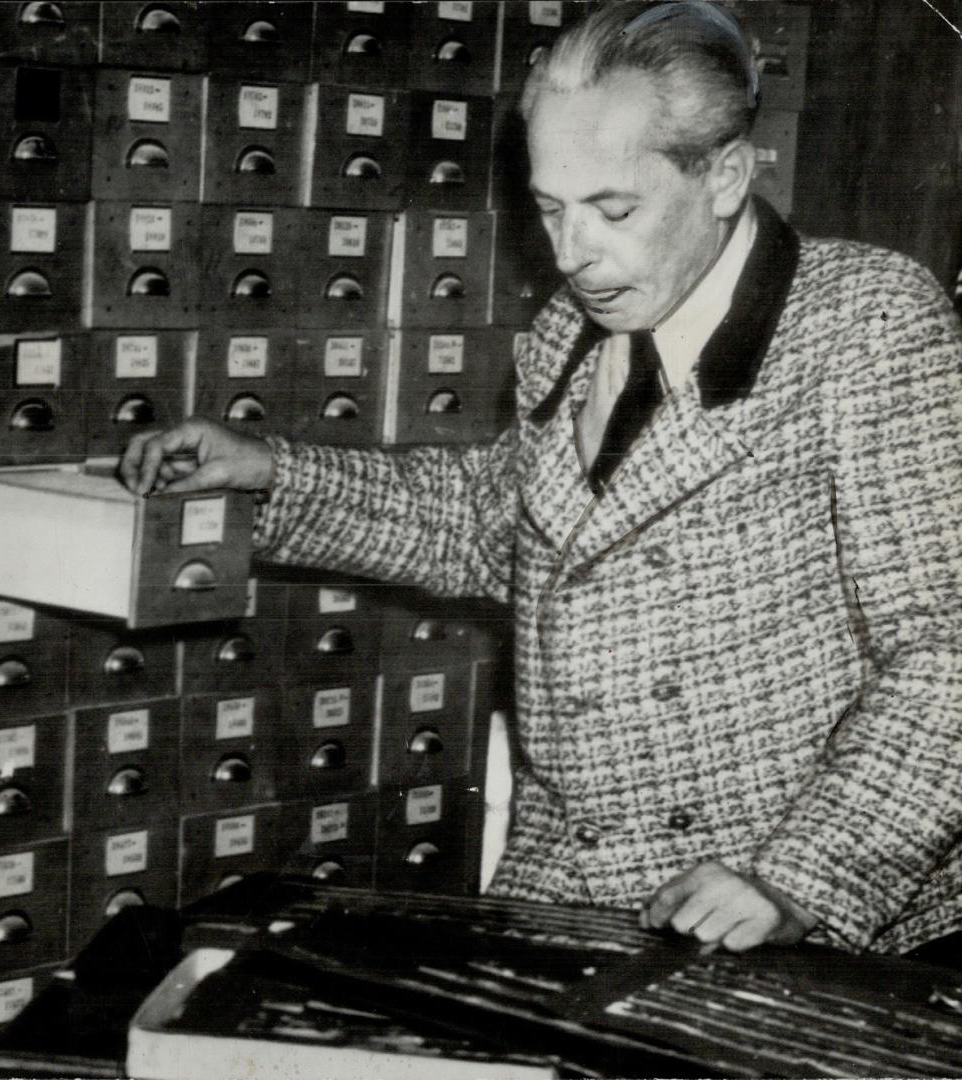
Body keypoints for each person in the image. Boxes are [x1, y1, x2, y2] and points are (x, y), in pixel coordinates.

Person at [122, 0, 962, 957]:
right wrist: (272, 474)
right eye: (551, 208)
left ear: (726, 175)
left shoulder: (867, 322)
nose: (571, 254)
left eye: (613, 211)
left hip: (768, 909)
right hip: (571, 886)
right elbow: (490, 526)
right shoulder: (570, 334)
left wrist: (803, 878)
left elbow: (946, 650)